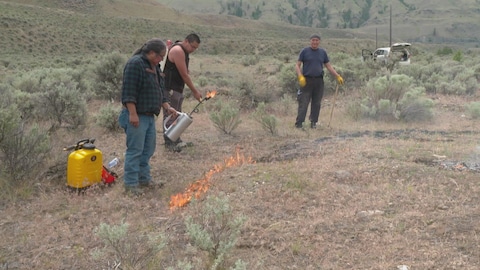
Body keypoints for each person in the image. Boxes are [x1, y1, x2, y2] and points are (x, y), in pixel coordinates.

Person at [119, 38, 177, 196]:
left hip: (150, 116)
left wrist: (167, 106)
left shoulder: (155, 67)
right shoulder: (135, 64)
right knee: (135, 150)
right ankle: (130, 184)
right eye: (160, 56)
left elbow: (159, 89)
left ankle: (144, 179)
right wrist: (132, 113)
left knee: (148, 150)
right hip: (137, 115)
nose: (161, 59)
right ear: (151, 52)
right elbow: (128, 92)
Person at [162, 33, 203, 152]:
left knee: (177, 114)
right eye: (193, 47)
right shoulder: (178, 51)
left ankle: (175, 138)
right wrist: (195, 91)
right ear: (186, 41)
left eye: (196, 48)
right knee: (171, 114)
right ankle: (169, 142)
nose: (193, 50)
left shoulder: (183, 51)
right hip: (170, 88)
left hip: (176, 88)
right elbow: (184, 75)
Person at [295, 34, 344, 129]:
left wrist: (337, 76)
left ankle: (313, 123)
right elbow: (297, 65)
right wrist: (300, 76)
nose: (315, 42)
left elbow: (328, 66)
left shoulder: (323, 52)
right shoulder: (304, 51)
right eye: (313, 40)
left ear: (319, 42)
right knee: (303, 102)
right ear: (310, 41)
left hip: (319, 81)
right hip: (306, 80)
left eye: (317, 40)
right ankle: (299, 124)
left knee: (316, 103)